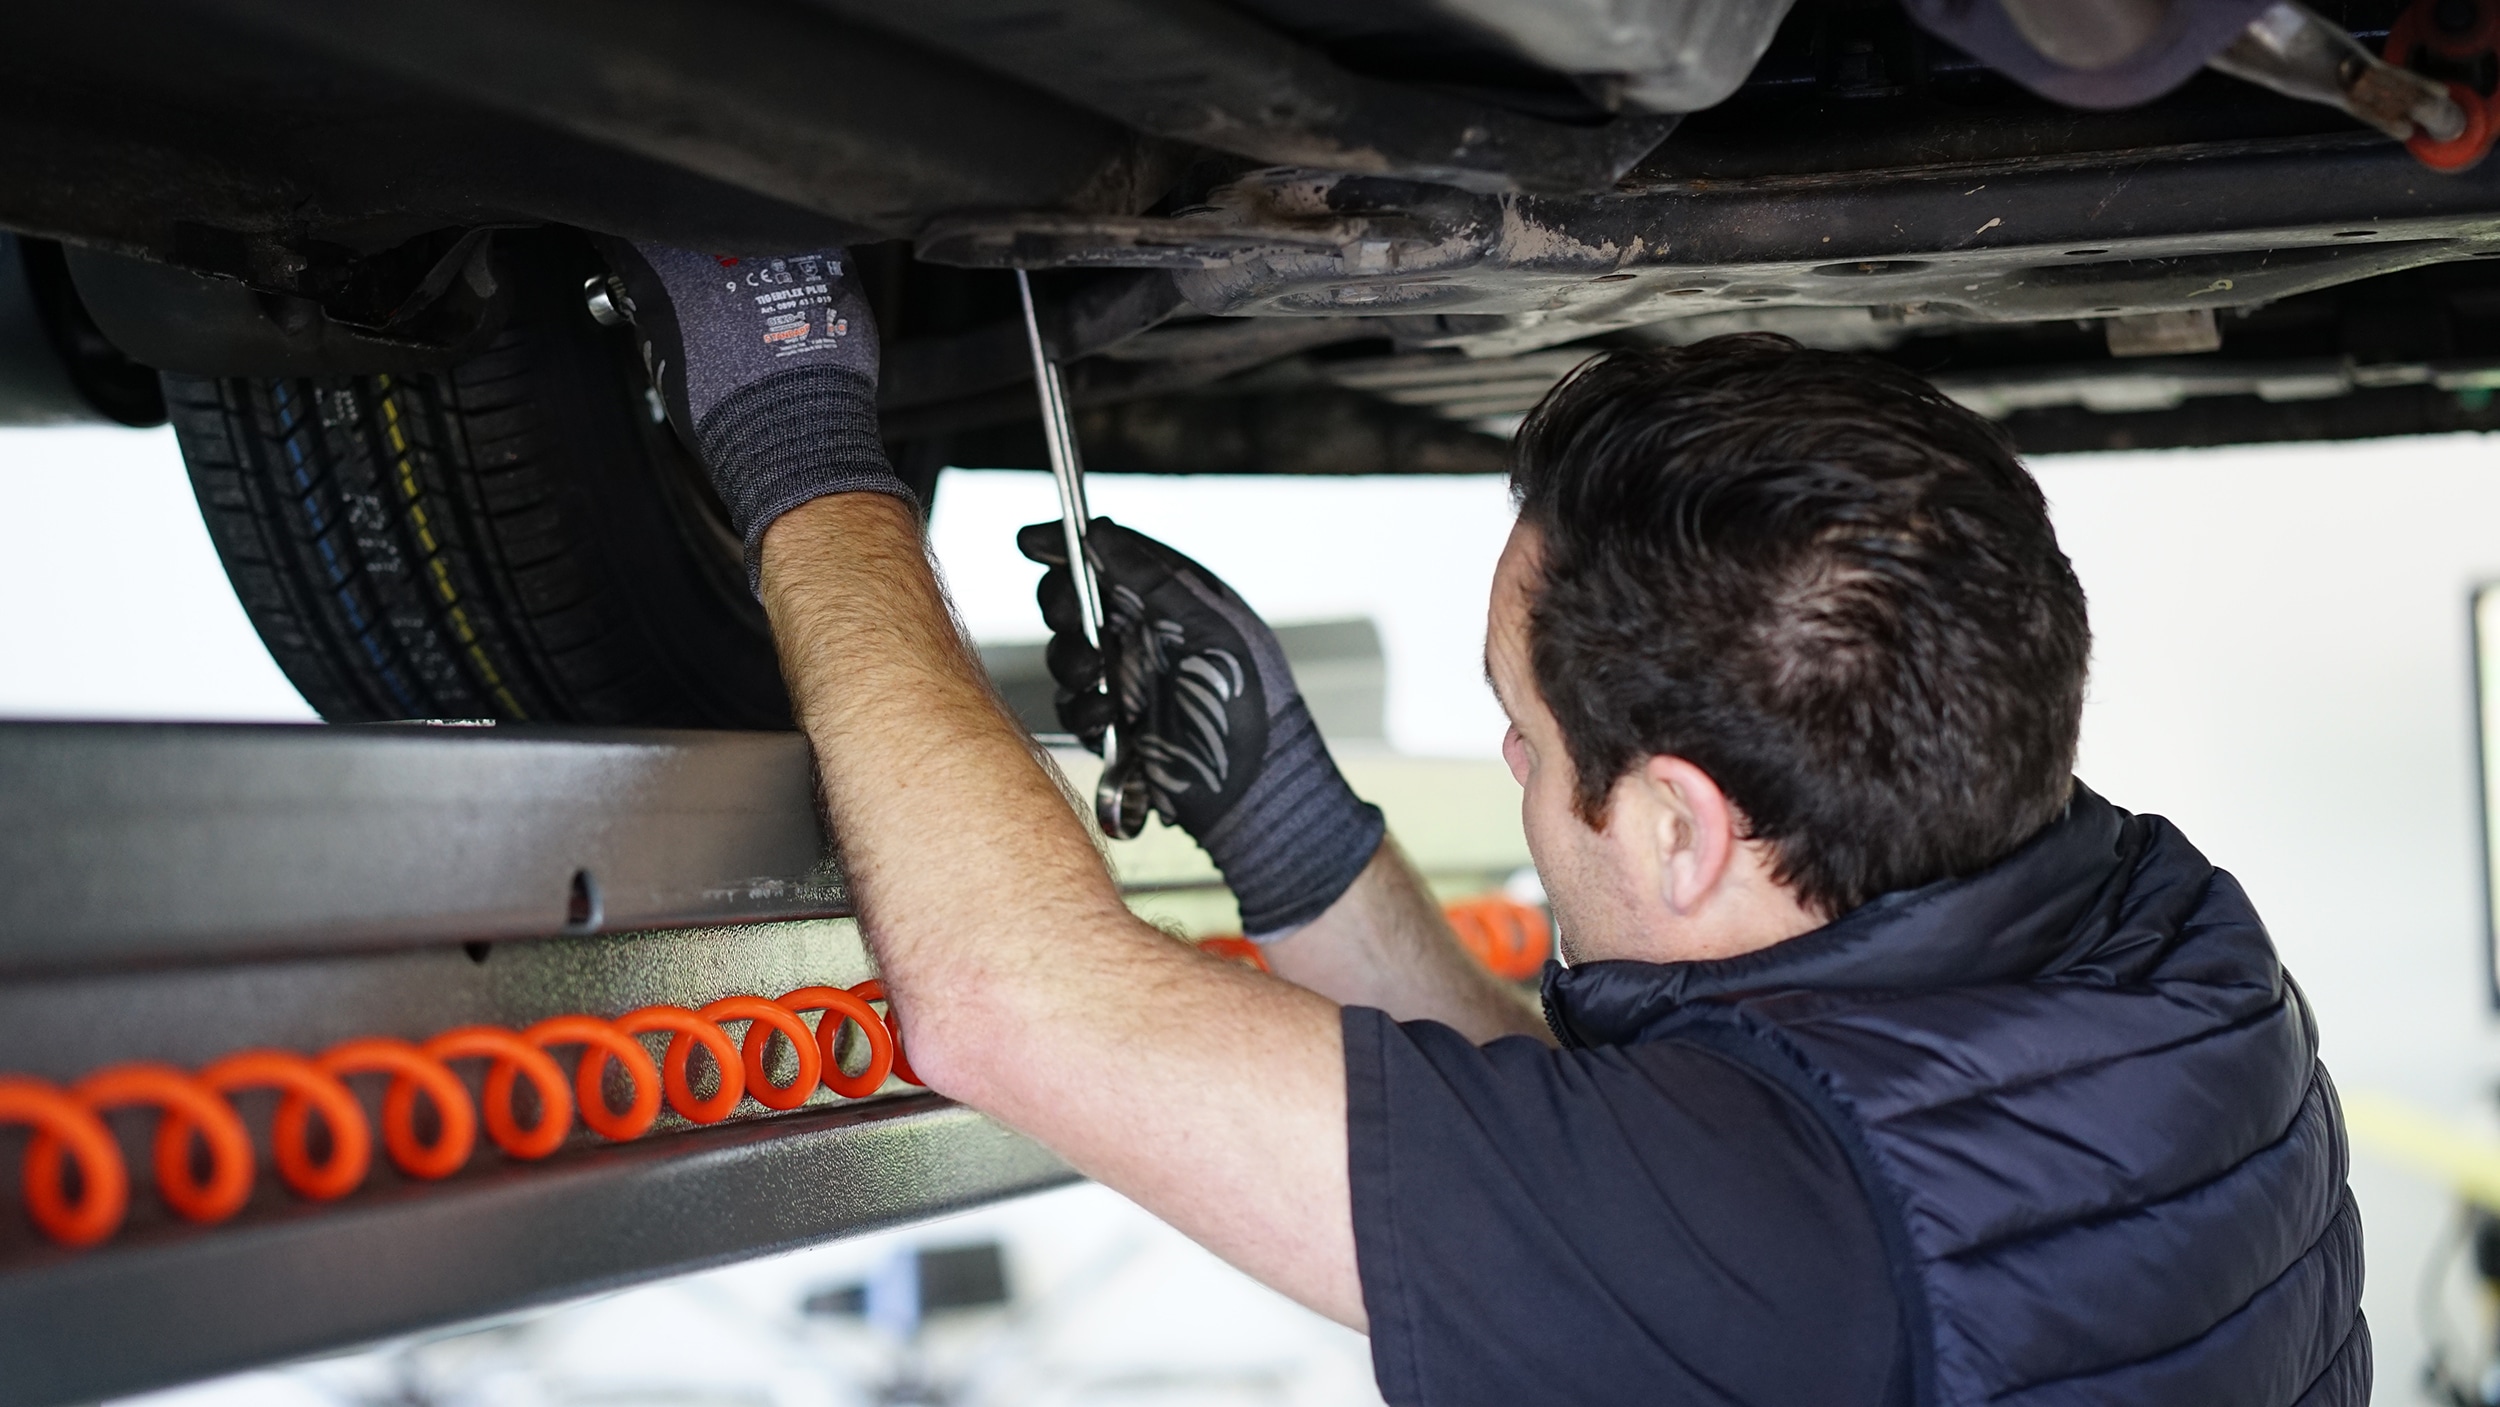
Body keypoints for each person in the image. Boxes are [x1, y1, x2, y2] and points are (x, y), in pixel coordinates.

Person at [602, 243, 2366, 1407]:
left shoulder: (1801, 1251)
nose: (1512, 777)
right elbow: (1623, 1178)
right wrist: (1297, 833)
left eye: (1523, 735)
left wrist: (796, 437)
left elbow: (1006, 1009)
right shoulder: (2167, 942)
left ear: (1682, 830)